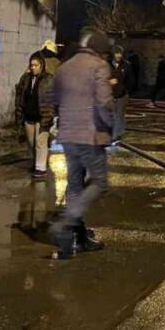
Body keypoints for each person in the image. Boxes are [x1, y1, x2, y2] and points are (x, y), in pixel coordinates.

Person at [50, 28, 114, 260]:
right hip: (90, 135)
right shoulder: (98, 66)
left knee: (75, 186)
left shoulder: (63, 67)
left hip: (67, 136)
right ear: (100, 51)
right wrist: (111, 130)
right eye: (106, 54)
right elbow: (104, 104)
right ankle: (66, 223)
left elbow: (54, 102)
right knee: (100, 182)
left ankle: (71, 243)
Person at [14, 53, 55, 179]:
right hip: (29, 116)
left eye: (36, 65)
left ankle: (40, 168)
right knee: (31, 143)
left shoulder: (49, 79)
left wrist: (53, 114)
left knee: (40, 143)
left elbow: (54, 98)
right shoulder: (26, 79)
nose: (33, 68)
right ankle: (36, 162)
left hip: (43, 116)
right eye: (31, 65)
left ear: (42, 65)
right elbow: (20, 95)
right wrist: (19, 113)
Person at [107, 45, 134, 143]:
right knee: (110, 115)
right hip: (109, 94)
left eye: (120, 53)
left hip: (122, 95)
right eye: (116, 53)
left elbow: (130, 80)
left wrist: (126, 90)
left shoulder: (126, 65)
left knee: (119, 115)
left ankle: (117, 136)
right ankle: (110, 134)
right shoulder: (107, 64)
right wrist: (108, 82)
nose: (119, 55)